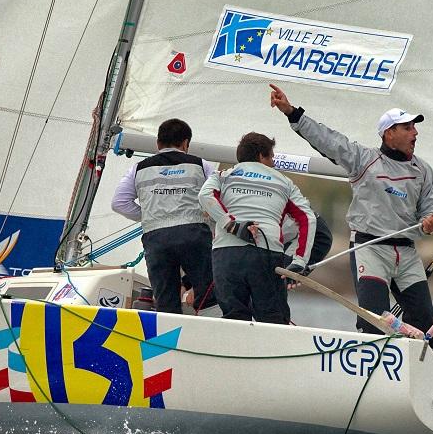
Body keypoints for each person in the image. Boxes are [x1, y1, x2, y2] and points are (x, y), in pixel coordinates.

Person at [269, 84, 433, 348]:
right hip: (369, 248)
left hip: (406, 254)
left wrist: (432, 222)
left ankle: (423, 374)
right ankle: (374, 370)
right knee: (373, 322)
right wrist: (292, 112)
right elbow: (329, 140)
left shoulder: (423, 170)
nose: (415, 132)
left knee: (426, 328)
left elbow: (431, 208)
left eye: (414, 127)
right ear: (389, 134)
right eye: (407, 127)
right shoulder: (364, 160)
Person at [198, 132, 316, 324]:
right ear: (261, 155)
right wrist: (300, 261)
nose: (273, 163)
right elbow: (307, 218)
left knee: (234, 318)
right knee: (273, 319)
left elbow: (205, 196)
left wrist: (232, 224)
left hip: (226, 256)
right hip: (266, 255)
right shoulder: (285, 183)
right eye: (272, 157)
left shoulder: (223, 176)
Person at [111, 118, 216, 314]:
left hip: (157, 238)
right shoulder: (201, 165)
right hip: (193, 233)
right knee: (209, 291)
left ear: (158, 144)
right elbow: (217, 197)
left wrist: (150, 216)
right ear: (186, 144)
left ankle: (167, 340)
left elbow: (119, 203)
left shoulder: (138, 168)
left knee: (165, 301)